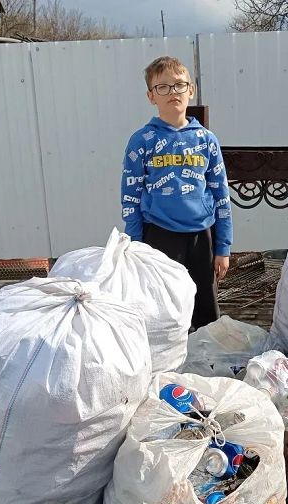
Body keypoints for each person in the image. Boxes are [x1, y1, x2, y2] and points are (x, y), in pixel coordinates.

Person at [121, 55, 231, 329]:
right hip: (159, 235)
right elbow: (130, 197)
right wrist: (135, 245)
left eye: (179, 85)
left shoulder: (206, 140)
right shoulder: (142, 141)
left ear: (191, 90)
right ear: (151, 96)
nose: (173, 92)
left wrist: (223, 247)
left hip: (202, 236)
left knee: (205, 311)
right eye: (163, 87)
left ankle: (204, 354)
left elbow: (221, 195)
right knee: (165, 310)